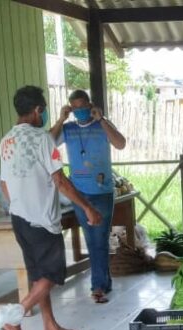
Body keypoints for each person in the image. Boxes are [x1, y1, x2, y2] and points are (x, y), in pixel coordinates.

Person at [0, 86, 102, 330]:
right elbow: (60, 181)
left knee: (37, 276)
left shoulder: (6, 140)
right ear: (38, 110)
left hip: (19, 219)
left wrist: (20, 204)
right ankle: (14, 319)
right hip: (42, 220)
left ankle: (50, 328)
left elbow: (4, 184)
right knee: (52, 275)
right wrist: (87, 207)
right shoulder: (43, 139)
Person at [49, 90, 127, 304]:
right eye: (75, 109)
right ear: (71, 110)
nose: (80, 112)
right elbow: (47, 144)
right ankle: (102, 283)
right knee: (91, 239)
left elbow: (120, 143)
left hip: (102, 191)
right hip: (79, 192)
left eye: (83, 107)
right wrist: (60, 119)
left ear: (90, 105)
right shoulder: (68, 128)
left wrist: (101, 119)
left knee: (99, 239)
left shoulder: (102, 125)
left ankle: (98, 285)